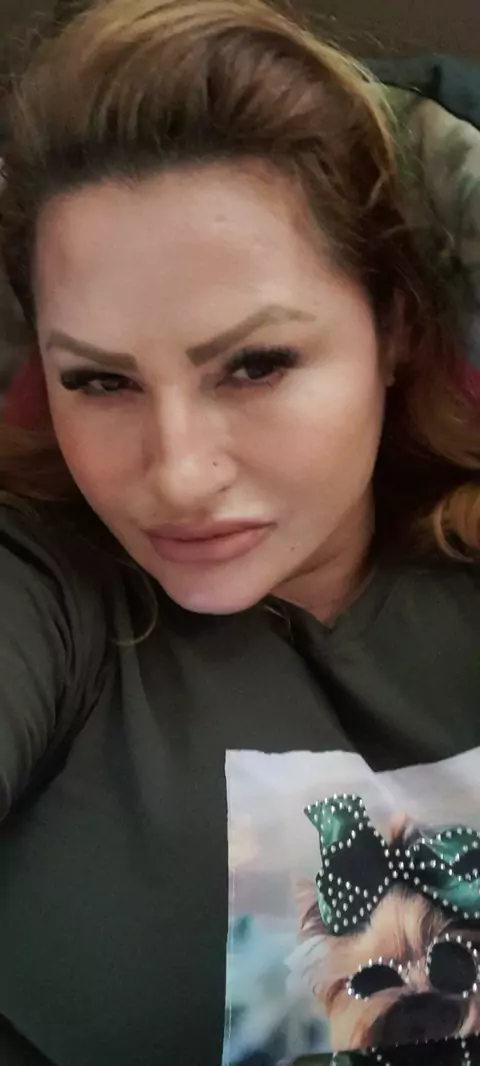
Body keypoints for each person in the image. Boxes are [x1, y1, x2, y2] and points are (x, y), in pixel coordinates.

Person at [0, 1, 478, 1064]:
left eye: (255, 366)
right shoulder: (47, 593)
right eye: (101, 381)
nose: (177, 474)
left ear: (393, 330)